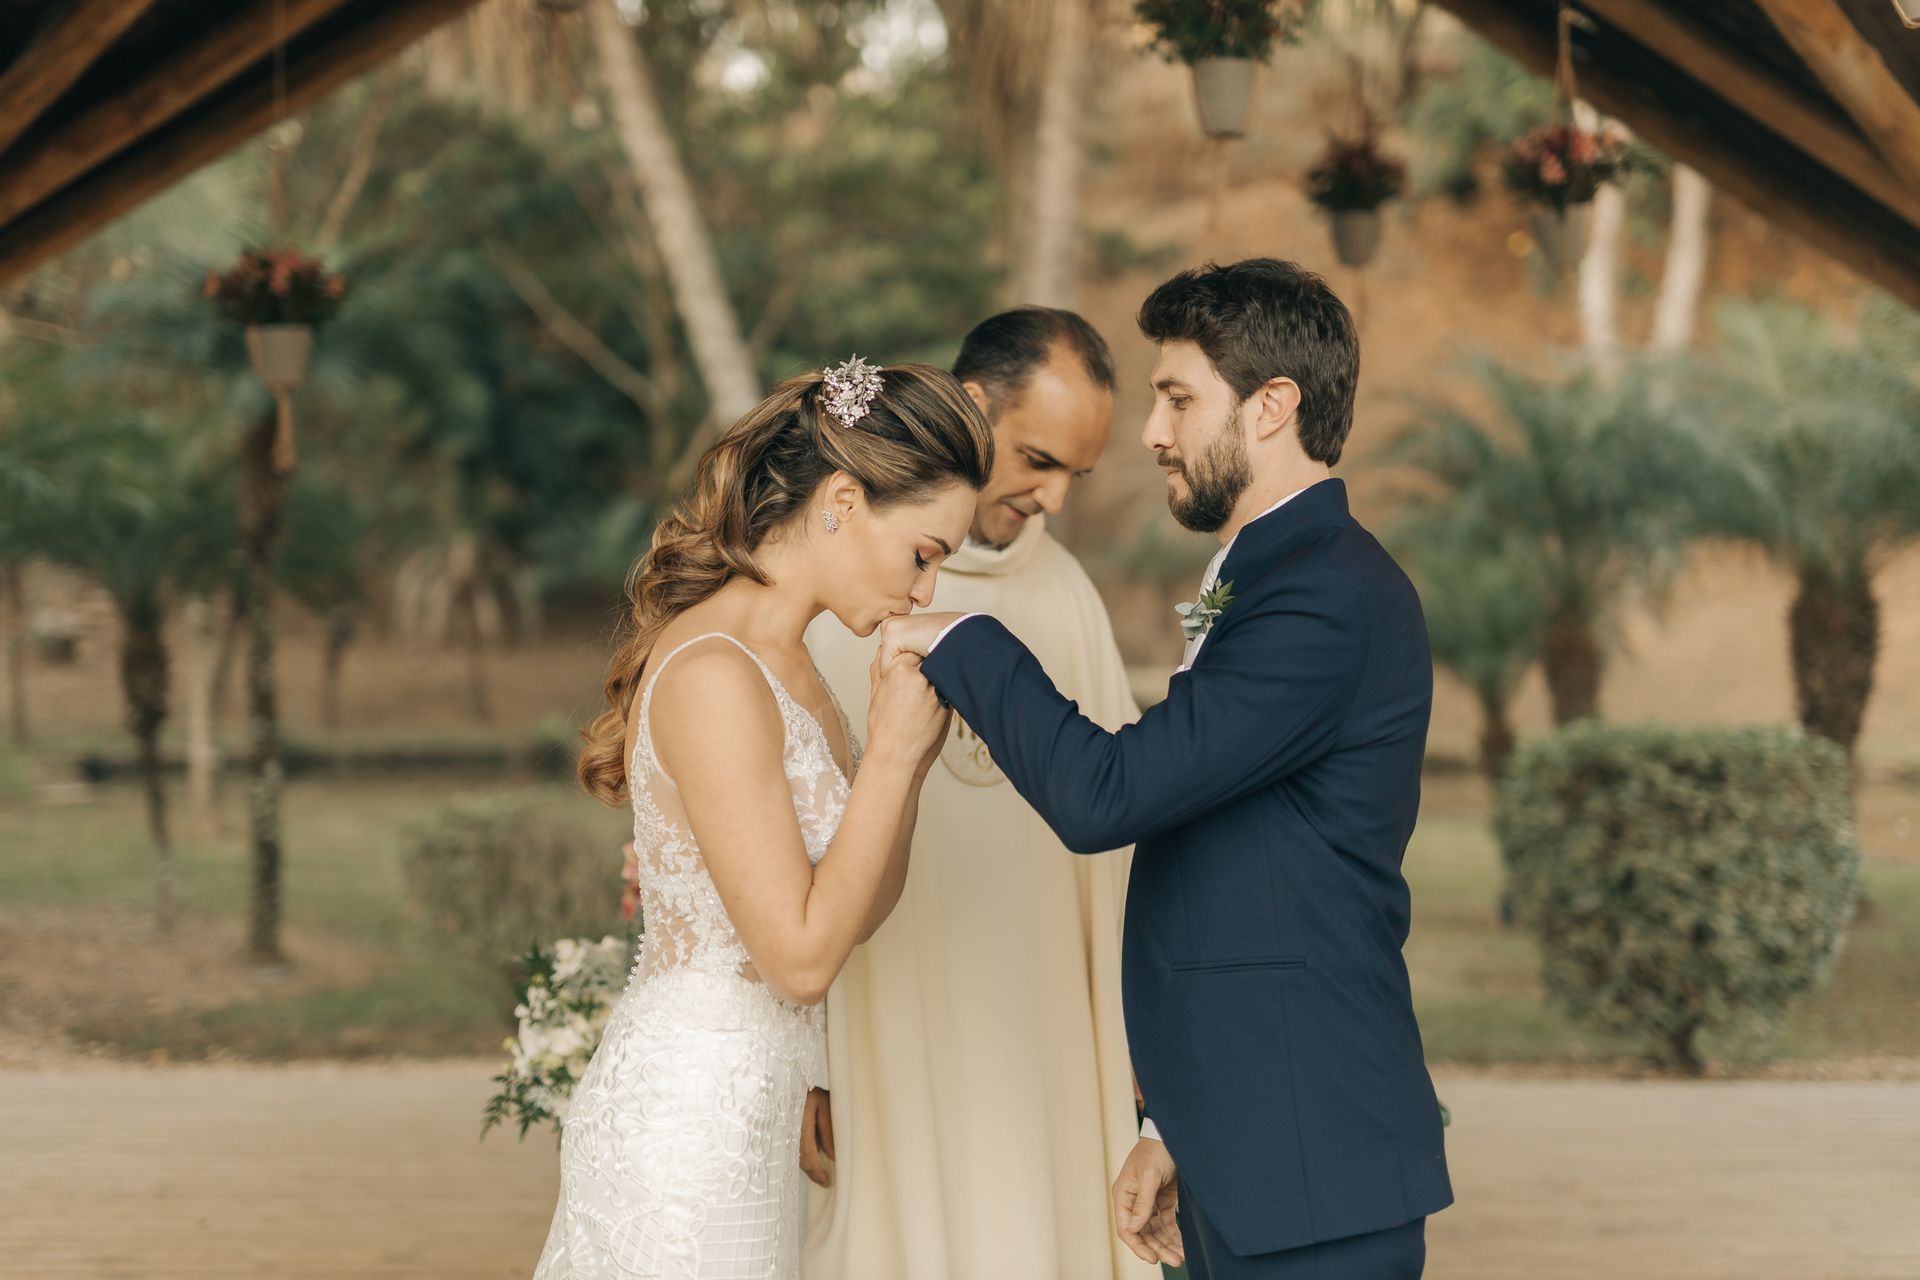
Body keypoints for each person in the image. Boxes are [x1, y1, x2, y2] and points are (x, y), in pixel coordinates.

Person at [879, 259, 1454, 1280]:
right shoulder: (1267, 577)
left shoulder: (1322, 596)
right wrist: (1177, 1127)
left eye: (1179, 397)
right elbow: (1244, 873)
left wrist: (965, 630)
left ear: (1272, 406)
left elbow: (1113, 794)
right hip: (1255, 1148)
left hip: (1311, 1168)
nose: (1153, 432)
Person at [533, 359, 995, 1280]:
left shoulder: (796, 667)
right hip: (685, 1131)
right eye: (926, 552)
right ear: (843, 501)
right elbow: (799, 956)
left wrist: (905, 765)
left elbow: (861, 905)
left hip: (751, 1116)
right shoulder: (715, 672)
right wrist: (893, 757)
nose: (924, 592)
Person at [800, 308, 1158, 1280]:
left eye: (1073, 477)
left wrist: (1141, 1044)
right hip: (885, 1019)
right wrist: (805, 1063)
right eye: (1037, 459)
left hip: (1044, 1028)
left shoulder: (1067, 593)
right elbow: (784, 852)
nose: (1049, 498)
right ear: (970, 406)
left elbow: (1128, 841)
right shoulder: (848, 591)